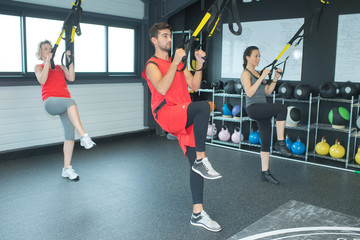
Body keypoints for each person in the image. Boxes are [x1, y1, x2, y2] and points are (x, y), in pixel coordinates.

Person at [142, 22, 222, 232]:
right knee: (204, 107)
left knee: (195, 164)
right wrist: (174, 62)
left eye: (170, 35)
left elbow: (195, 86)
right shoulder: (151, 65)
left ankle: (198, 214)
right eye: (164, 36)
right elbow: (161, 87)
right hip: (167, 113)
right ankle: (202, 159)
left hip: (184, 114)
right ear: (154, 40)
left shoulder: (178, 65)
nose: (169, 39)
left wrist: (199, 64)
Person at [34, 40, 96, 181]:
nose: (49, 50)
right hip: (50, 102)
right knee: (71, 102)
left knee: (69, 135)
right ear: (41, 53)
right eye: (45, 49)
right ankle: (84, 136)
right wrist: (48, 63)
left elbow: (71, 77)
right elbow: (42, 81)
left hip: (65, 104)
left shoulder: (60, 67)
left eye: (50, 49)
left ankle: (66, 168)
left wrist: (70, 60)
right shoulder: (39, 66)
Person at [241, 46, 292, 185]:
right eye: (255, 56)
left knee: (265, 141)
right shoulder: (245, 74)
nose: (258, 59)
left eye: (259, 56)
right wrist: (262, 76)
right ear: (247, 57)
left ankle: (265, 172)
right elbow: (250, 93)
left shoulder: (258, 73)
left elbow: (268, 92)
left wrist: (274, 78)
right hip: (253, 108)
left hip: (262, 107)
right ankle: (281, 143)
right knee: (281, 108)